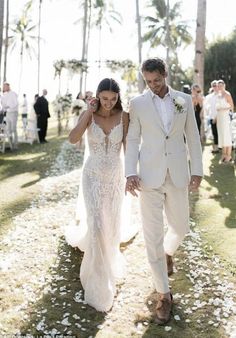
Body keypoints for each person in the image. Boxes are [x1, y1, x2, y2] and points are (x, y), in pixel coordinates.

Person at [125, 58, 203, 324]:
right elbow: (133, 138)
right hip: (148, 176)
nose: (153, 86)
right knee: (152, 236)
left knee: (181, 227)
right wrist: (130, 172)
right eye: (148, 82)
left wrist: (198, 170)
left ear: (165, 75)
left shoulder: (182, 99)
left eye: (157, 80)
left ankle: (168, 251)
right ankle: (164, 295)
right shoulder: (138, 104)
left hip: (178, 172)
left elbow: (193, 136)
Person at [66, 78, 131, 312]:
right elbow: (73, 138)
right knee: (96, 224)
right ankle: (98, 281)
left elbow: (127, 148)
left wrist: (130, 176)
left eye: (113, 99)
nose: (108, 103)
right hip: (91, 176)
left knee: (111, 225)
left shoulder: (124, 116)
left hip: (115, 177)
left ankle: (109, 261)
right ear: (97, 96)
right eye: (104, 98)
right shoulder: (90, 115)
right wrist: (87, 113)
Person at [215, 79, 234, 163]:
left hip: (225, 117)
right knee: (222, 135)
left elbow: (231, 106)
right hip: (220, 117)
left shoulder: (227, 94)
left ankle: (228, 156)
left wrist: (222, 109)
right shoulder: (218, 95)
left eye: (221, 85)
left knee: (227, 136)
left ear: (224, 86)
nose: (219, 87)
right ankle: (224, 154)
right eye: (218, 86)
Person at [1, 82, 19, 149]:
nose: (4, 88)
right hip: (7, 113)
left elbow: (15, 103)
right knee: (8, 129)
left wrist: (8, 106)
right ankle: (11, 144)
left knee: (13, 129)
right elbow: (3, 105)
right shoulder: (4, 95)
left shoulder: (13, 94)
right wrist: (3, 108)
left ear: (8, 86)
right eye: (3, 87)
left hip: (13, 113)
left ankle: (15, 144)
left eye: (5, 87)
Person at [204, 80, 219, 153]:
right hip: (212, 117)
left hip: (220, 117)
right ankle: (216, 147)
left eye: (216, 85)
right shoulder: (209, 96)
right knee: (214, 133)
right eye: (213, 86)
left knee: (220, 133)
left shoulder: (220, 95)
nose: (215, 87)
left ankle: (221, 147)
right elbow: (206, 106)